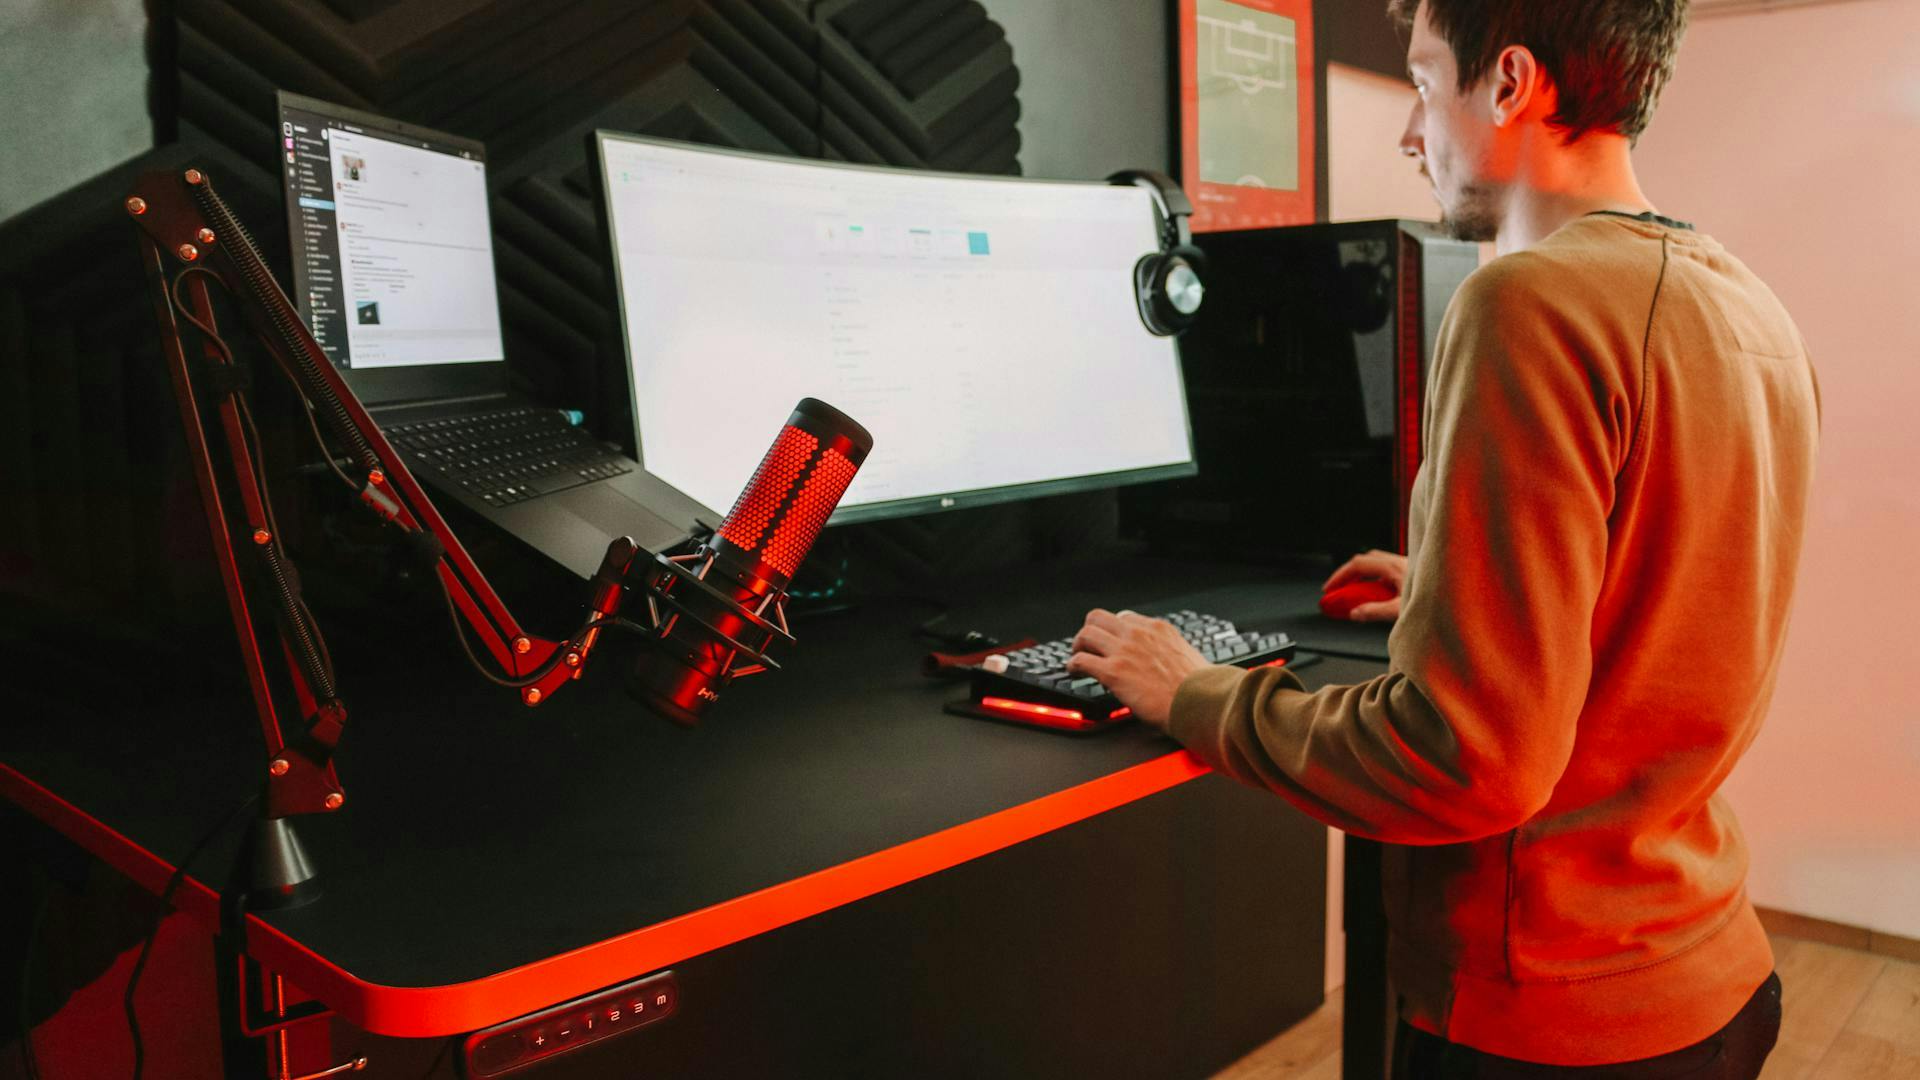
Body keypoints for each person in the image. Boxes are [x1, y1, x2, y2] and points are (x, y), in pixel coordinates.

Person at [1067, 0, 1821, 1075]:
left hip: (1550, 1017)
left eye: (1425, 87)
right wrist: (1462, 582)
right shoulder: (1751, 310)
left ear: (1511, 83)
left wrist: (1194, 692)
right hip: (1709, 978)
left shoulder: (1529, 301)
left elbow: (1465, 762)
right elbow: (1673, 591)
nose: (1413, 135)